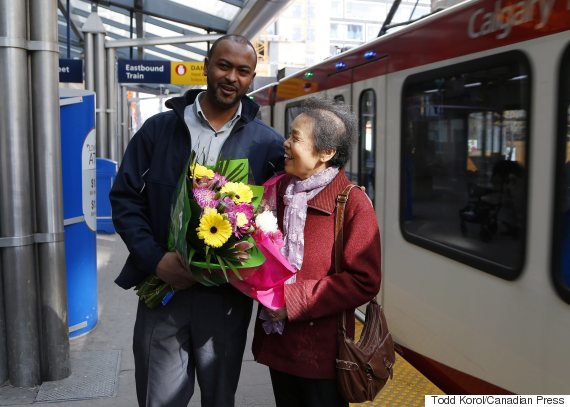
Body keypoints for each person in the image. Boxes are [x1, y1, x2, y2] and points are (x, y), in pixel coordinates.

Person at [110, 34, 284, 407]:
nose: (231, 78)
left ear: (252, 78)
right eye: (224, 66)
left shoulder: (267, 144)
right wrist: (156, 259)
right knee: (159, 399)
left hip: (226, 299)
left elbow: (279, 216)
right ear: (206, 65)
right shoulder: (158, 131)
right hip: (164, 290)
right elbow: (125, 201)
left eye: (243, 71)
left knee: (220, 399)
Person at [252, 97, 381, 407]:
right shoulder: (278, 191)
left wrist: (291, 301)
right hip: (279, 343)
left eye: (295, 137)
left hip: (322, 355)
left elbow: (365, 280)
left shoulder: (352, 204)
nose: (284, 143)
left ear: (326, 153)